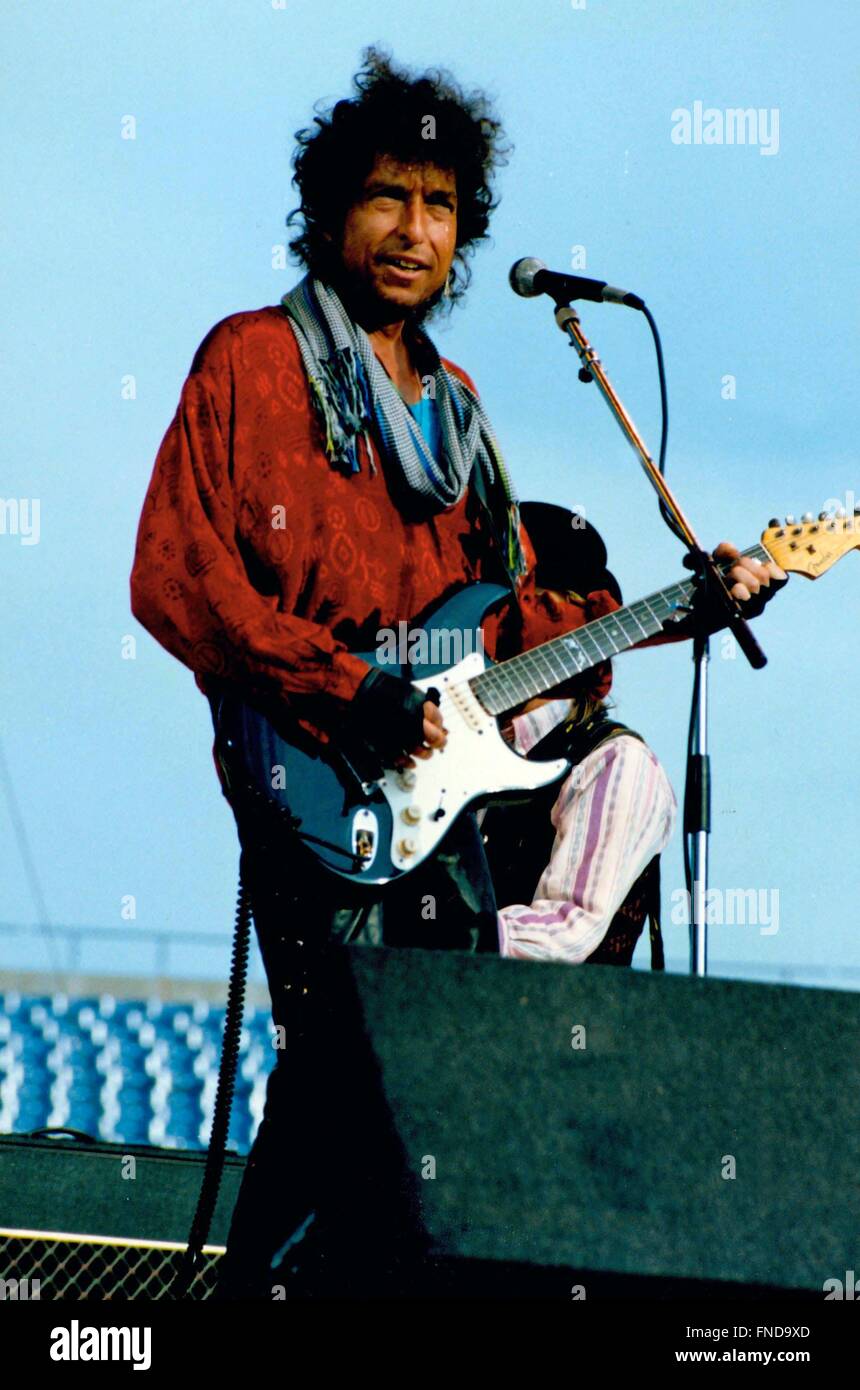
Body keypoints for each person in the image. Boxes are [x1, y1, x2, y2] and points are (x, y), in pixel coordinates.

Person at [129, 48, 785, 1297]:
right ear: (326, 213)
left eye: (437, 207)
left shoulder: (459, 410)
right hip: (315, 776)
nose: (410, 230)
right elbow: (177, 576)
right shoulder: (251, 363)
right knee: (344, 1059)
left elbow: (505, 623)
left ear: (463, 233)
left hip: (440, 792)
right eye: (385, 197)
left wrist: (681, 608)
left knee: (405, 1083)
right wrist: (346, 689)